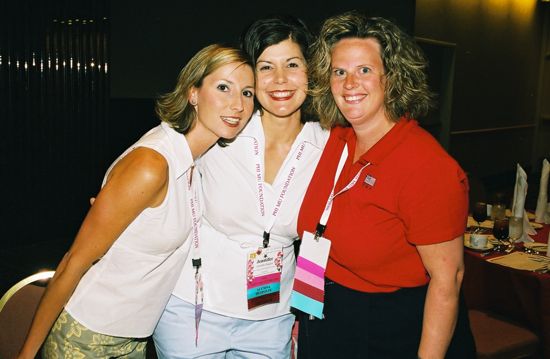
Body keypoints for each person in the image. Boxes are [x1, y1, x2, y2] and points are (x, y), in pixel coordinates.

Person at [16, 44, 255, 359]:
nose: (237, 104)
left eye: (248, 93)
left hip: (134, 341)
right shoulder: (153, 164)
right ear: (193, 93)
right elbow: (73, 263)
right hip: (86, 337)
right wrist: (28, 353)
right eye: (223, 87)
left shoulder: (195, 163)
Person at [296, 11, 476, 359]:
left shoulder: (427, 166)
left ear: (392, 77)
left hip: (390, 328)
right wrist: (303, 316)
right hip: (326, 311)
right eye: (339, 71)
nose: (350, 84)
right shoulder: (337, 140)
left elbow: (448, 280)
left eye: (364, 70)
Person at [153, 15, 329, 358]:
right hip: (192, 310)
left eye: (292, 64)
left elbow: (318, 242)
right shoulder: (225, 125)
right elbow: (162, 156)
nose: (280, 80)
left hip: (272, 320)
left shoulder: (329, 146)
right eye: (266, 67)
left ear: (310, 71)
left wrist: (302, 317)